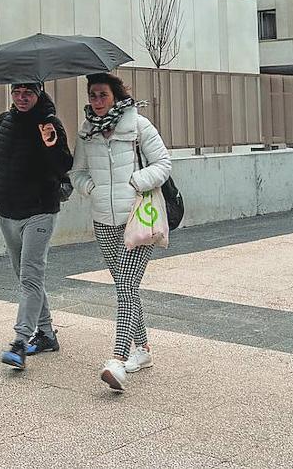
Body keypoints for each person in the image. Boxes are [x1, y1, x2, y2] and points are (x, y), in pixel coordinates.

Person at [69, 72, 172, 391]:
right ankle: (142, 350)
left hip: (137, 216)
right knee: (127, 287)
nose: (97, 102)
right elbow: (77, 172)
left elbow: (164, 164)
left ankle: (118, 359)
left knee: (125, 286)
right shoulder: (87, 132)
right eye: (92, 96)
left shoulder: (139, 126)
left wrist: (135, 182)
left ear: (116, 96)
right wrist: (91, 188)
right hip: (103, 220)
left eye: (102, 95)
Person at [0, 82, 73, 370]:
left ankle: (20, 342)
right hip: (7, 211)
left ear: (39, 94)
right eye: (17, 92)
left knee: (31, 276)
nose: (22, 98)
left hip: (40, 211)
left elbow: (64, 167)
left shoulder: (50, 124)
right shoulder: (2, 122)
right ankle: (46, 334)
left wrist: (51, 144)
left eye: (28, 93)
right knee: (25, 278)